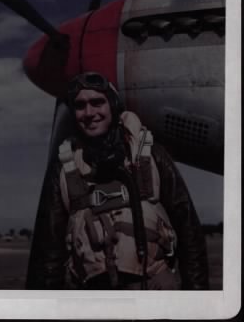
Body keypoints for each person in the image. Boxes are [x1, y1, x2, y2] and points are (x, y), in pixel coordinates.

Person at [26, 72, 209, 290]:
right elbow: (48, 251)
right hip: (92, 298)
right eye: (80, 105)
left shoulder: (149, 155)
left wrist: (197, 298)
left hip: (153, 293)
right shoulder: (64, 168)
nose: (89, 113)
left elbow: (189, 231)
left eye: (97, 103)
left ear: (112, 105)